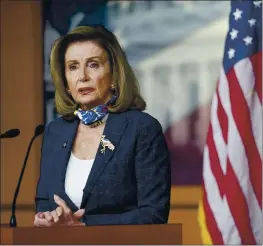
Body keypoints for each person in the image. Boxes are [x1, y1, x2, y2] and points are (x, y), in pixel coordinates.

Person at [34, 25, 171, 227]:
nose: (82, 76)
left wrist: (84, 227)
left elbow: (153, 215)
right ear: (65, 82)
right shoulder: (55, 131)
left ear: (114, 75)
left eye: (93, 65)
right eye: (72, 67)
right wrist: (46, 218)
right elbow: (44, 202)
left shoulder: (141, 129)